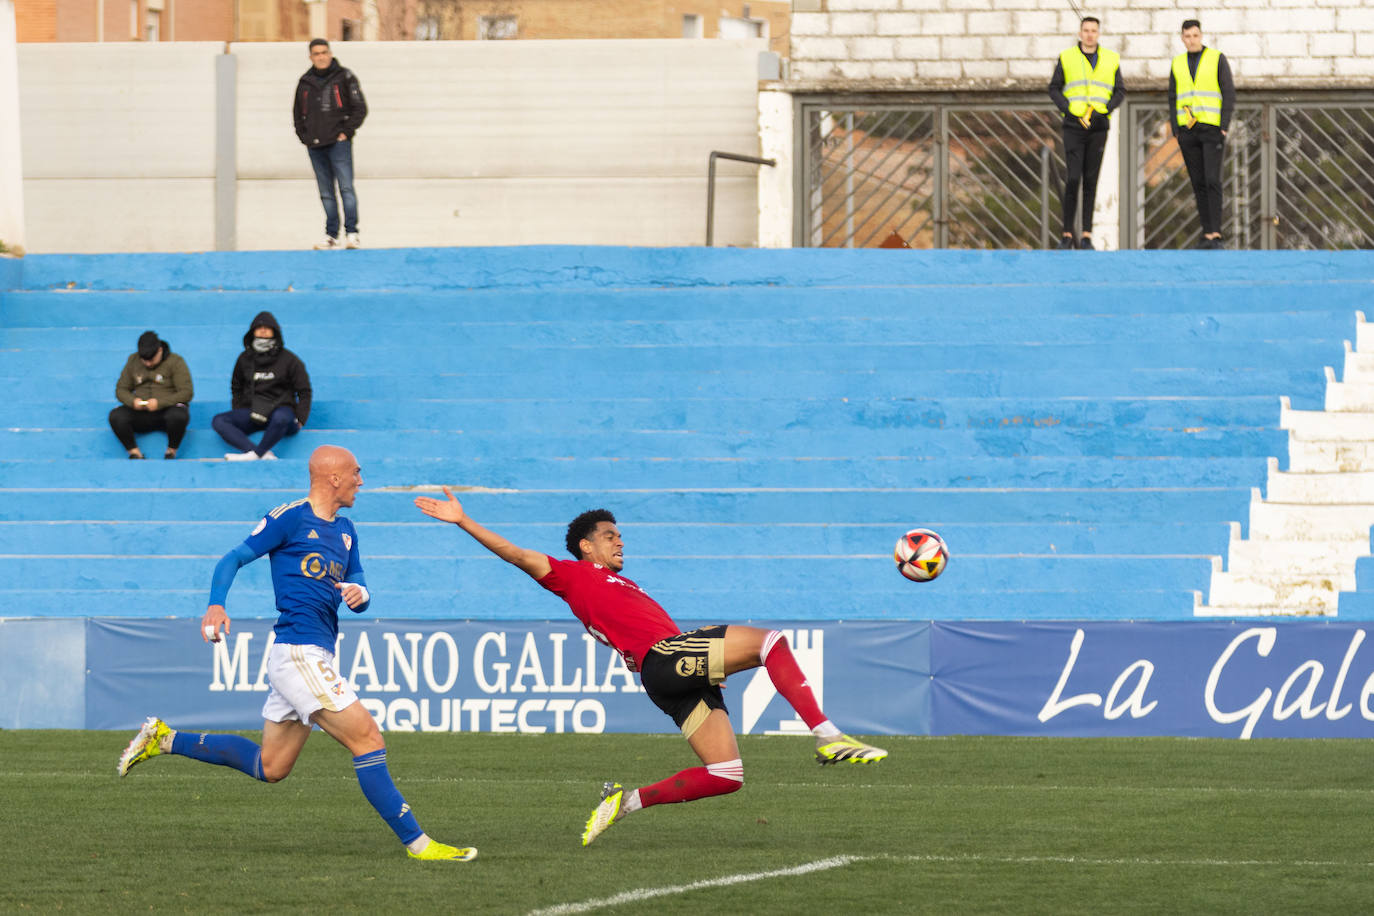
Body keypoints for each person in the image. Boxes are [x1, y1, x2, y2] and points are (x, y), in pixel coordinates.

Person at [413, 490, 887, 848]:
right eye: (609, 536)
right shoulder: (572, 575)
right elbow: (517, 555)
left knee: (726, 773)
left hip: (665, 679)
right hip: (664, 659)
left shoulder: (624, 583)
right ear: (585, 547)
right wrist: (464, 521)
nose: (619, 542)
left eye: (619, 535)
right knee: (772, 642)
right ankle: (827, 736)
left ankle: (626, 802)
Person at [117, 445, 476, 863]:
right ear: (334, 478)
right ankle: (419, 844)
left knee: (271, 766)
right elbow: (232, 558)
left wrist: (361, 595)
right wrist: (216, 604)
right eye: (357, 473)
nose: (362, 480)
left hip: (318, 652)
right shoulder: (290, 517)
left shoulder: (347, 530)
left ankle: (164, 739)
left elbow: (358, 589)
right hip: (298, 653)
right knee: (367, 738)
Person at [1048, 16, 1125, 250]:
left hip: (1098, 127)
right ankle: (1067, 234)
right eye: (1086, 30)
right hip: (1074, 126)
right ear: (1080, 33)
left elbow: (1120, 91)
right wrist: (1069, 109)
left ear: (1098, 34)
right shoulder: (1067, 57)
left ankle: (1086, 235)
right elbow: (1054, 88)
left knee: (1091, 181)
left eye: (1094, 30)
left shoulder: (1111, 59)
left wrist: (1105, 110)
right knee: (1073, 179)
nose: (1090, 34)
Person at [294, 38, 367, 250]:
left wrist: (346, 132)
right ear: (311, 57)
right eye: (316, 53)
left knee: (346, 188)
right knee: (326, 192)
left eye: (324, 52)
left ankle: (352, 233)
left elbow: (360, 108)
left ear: (330, 53)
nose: (321, 57)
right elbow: (297, 114)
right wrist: (305, 137)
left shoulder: (344, 76)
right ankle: (331, 235)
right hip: (315, 146)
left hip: (338, 144)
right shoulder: (305, 82)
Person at [1169, 20, 1235, 250]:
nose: (1192, 40)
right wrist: (1175, 129)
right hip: (1188, 131)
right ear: (1182, 38)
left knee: (1212, 180)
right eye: (1187, 36)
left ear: (1201, 35)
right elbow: (1172, 95)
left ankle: (1216, 233)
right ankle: (1206, 233)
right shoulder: (1177, 63)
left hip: (1212, 128)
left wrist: (1224, 125)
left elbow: (1228, 91)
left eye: (1195, 35)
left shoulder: (1217, 58)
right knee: (1198, 182)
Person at [211, 312, 311, 462]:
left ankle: (256, 455)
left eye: (267, 327)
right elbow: (236, 386)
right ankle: (260, 453)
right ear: (252, 332)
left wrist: (301, 419)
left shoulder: (290, 359)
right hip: (253, 412)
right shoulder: (244, 358)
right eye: (259, 327)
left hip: (281, 412)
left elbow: (304, 391)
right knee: (219, 421)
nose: (263, 330)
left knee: (281, 417)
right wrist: (239, 409)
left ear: (275, 332)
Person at [108, 330, 193, 460]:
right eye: (144, 360)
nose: (148, 364)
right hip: (141, 412)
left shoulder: (176, 361)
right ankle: (135, 453)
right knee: (116, 416)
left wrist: (160, 403)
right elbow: (121, 390)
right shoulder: (132, 360)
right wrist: (132, 401)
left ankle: (171, 451)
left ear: (159, 350)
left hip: (167, 412)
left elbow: (187, 392)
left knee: (178, 415)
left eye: (151, 360)